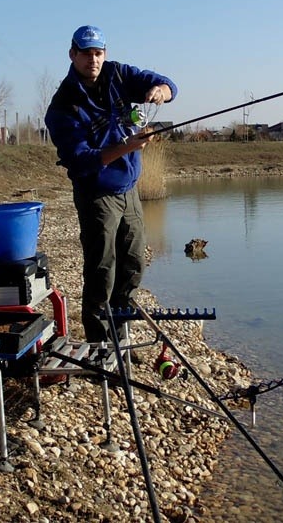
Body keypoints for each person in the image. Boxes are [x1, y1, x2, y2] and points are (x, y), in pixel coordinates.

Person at [44, 25, 178, 343]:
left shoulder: (118, 75)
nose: (93, 59)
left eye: (98, 53)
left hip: (128, 188)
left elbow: (170, 85)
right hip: (95, 193)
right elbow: (81, 159)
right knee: (102, 268)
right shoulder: (62, 106)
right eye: (86, 53)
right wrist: (128, 146)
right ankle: (100, 344)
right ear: (72, 54)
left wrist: (161, 91)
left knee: (133, 263)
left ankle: (121, 333)